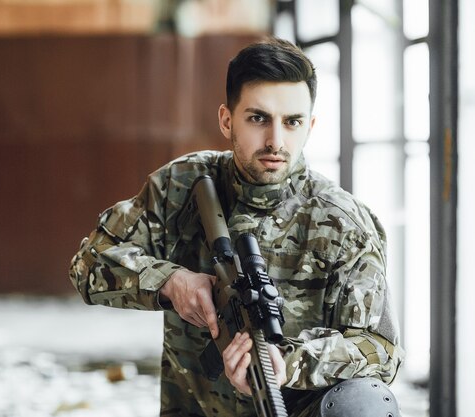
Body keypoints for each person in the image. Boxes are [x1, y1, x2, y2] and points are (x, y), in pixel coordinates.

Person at [69, 37, 404, 417]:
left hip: (297, 408)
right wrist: (169, 282)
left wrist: (290, 361)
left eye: (292, 122)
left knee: (366, 404)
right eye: (258, 118)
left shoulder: (343, 221)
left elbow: (381, 349)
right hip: (196, 407)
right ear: (227, 120)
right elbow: (87, 264)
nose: (276, 141)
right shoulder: (182, 185)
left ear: (309, 126)